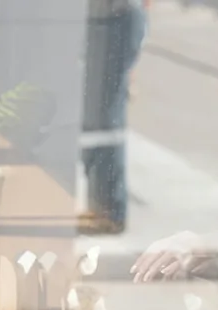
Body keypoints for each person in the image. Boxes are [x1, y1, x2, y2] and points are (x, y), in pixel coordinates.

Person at [81, 0, 149, 233]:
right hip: (107, 19)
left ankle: (109, 209)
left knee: (105, 121)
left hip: (115, 19)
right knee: (98, 117)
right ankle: (102, 204)